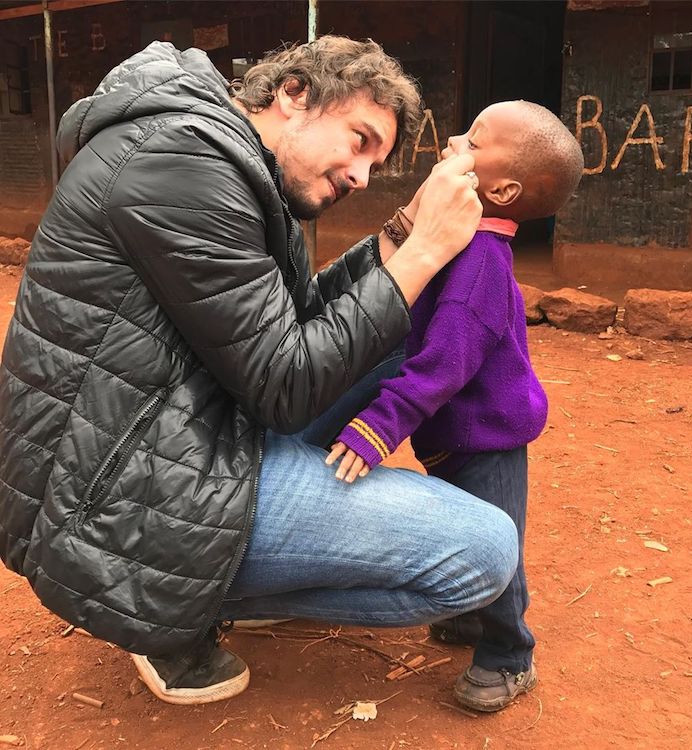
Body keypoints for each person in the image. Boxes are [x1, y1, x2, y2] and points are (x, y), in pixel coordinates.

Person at [0, 37, 521, 706]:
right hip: (121, 497)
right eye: (359, 140)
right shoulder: (182, 168)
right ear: (295, 93)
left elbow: (293, 323)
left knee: (396, 335)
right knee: (483, 555)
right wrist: (422, 253)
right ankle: (177, 607)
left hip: (169, 430)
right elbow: (286, 383)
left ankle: (224, 583)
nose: (362, 176)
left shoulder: (226, 162)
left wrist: (400, 232)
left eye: (376, 163)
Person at [327, 101, 584, 712]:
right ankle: (472, 621)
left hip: (488, 442)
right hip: (452, 435)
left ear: (502, 188)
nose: (455, 138)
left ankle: (508, 654)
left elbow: (443, 366)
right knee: (465, 532)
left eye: (475, 138)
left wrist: (375, 427)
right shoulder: (458, 242)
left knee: (498, 544)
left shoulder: (480, 270)